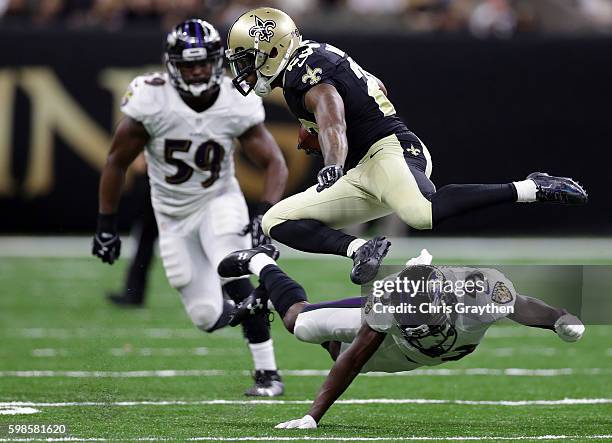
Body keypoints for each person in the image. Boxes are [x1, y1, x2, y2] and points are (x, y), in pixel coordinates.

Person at [225, 7, 588, 285]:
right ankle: (359, 250)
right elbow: (377, 87)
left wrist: (331, 158)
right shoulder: (312, 57)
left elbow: (332, 114)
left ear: (271, 50)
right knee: (277, 220)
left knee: (421, 213)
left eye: (247, 59)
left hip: (390, 150)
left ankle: (530, 187)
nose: (244, 69)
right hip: (363, 168)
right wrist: (319, 133)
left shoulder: (302, 74)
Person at [92, 19, 288, 396]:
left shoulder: (235, 98)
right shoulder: (150, 98)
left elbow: (274, 162)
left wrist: (265, 212)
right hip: (171, 215)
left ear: (217, 61)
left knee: (231, 265)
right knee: (205, 316)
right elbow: (115, 162)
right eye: (188, 63)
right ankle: (254, 304)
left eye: (203, 62)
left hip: (218, 198)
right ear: (171, 64)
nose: (197, 70)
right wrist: (106, 223)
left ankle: (268, 374)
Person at [218, 247, 586, 428]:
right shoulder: (389, 306)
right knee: (300, 325)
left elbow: (524, 306)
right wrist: (313, 416)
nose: (421, 324)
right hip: (392, 334)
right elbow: (355, 359)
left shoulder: (480, 292)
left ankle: (266, 286)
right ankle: (262, 263)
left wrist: (560, 320)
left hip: (422, 354)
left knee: (334, 350)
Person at [107, 154, 158, 307]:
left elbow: (139, 164)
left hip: (157, 184)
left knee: (144, 241)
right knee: (144, 241)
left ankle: (133, 294)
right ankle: (133, 292)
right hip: (168, 184)